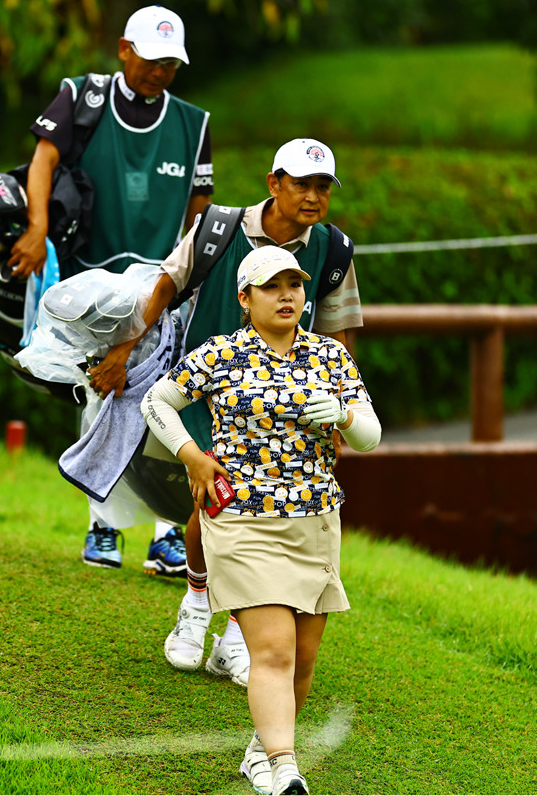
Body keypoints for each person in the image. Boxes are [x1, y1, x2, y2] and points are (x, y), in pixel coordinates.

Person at [89, 139, 363, 688]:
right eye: (301, 184)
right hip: (207, 389)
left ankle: (235, 637)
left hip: (289, 408)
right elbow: (165, 286)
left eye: (322, 187)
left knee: (262, 516)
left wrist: (340, 412)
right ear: (273, 183)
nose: (312, 196)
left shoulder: (332, 250)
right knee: (212, 506)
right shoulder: (218, 227)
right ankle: (196, 605)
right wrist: (123, 349)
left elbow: (341, 326)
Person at [142, 245, 381, 796]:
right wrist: (193, 456)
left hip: (315, 522)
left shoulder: (329, 356)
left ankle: (261, 753)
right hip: (242, 521)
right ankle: (284, 767)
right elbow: (157, 403)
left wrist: (343, 414)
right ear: (245, 298)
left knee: (302, 659)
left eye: (294, 285)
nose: (287, 295)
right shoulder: (219, 354)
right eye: (272, 287)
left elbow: (370, 437)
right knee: (272, 650)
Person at [8, 5, 215, 573]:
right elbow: (42, 160)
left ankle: (165, 534)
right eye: (152, 60)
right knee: (101, 392)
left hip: (160, 282)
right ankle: (101, 527)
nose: (161, 72)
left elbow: (199, 218)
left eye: (171, 64)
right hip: (91, 279)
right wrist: (36, 229)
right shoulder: (82, 97)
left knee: (166, 396)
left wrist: (185, 282)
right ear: (125, 50)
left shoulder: (192, 124)